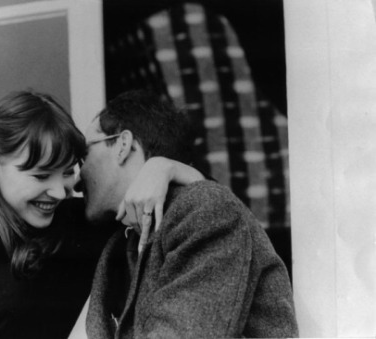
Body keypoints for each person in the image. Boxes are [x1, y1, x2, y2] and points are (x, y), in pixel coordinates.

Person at [0, 90, 205, 339]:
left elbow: (207, 210)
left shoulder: (84, 224)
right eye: (41, 176)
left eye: (67, 172)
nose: (59, 192)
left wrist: (164, 168)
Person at [79, 89, 299, 338]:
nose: (78, 177)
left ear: (122, 145)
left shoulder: (203, 211)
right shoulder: (120, 242)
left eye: (84, 154)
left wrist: (171, 170)